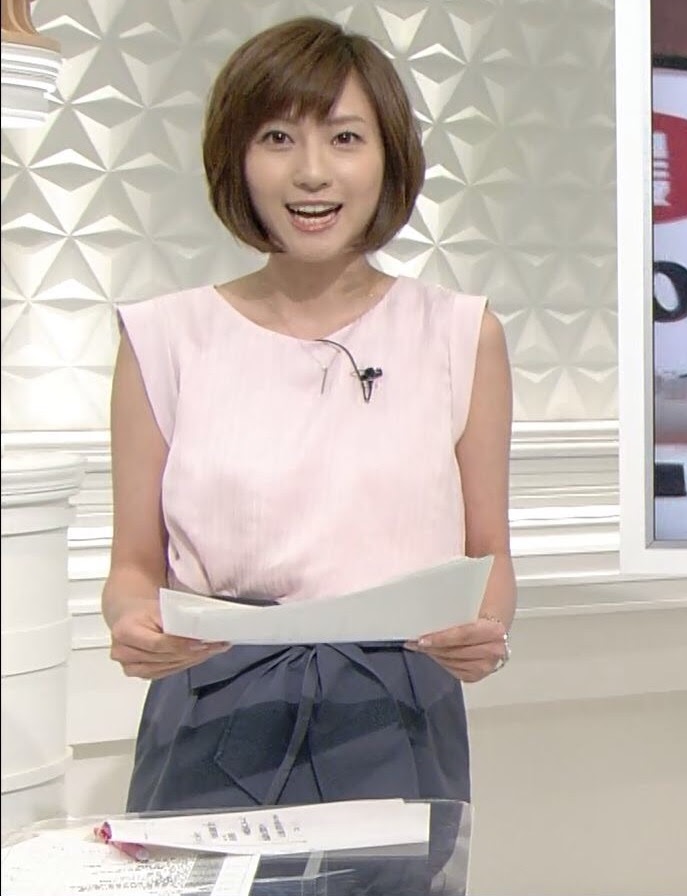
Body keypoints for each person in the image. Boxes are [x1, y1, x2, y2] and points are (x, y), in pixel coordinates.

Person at [100, 16, 515, 812]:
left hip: (397, 713)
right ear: (237, 158)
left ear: (389, 156)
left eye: (345, 138)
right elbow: (134, 566)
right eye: (278, 139)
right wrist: (134, 622)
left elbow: (489, 553)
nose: (312, 173)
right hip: (211, 705)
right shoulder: (163, 336)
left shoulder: (463, 334)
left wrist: (485, 631)